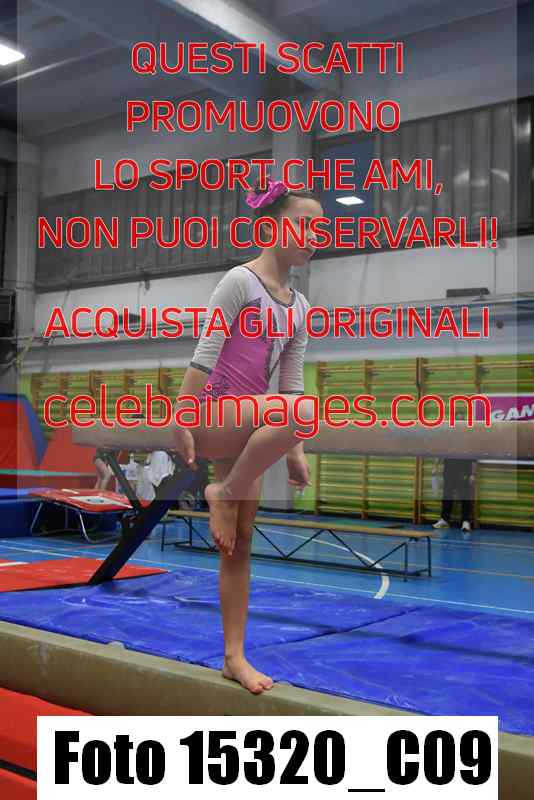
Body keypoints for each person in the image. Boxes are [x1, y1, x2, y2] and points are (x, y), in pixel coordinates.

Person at [172, 179, 322, 694]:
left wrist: (294, 450)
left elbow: (290, 384)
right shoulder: (240, 282)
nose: (314, 235)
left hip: (250, 426)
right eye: (305, 225)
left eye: (320, 228)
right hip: (213, 415)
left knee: (238, 546)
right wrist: (182, 416)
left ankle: (233, 656)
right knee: (304, 409)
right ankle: (224, 490)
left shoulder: (299, 307)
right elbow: (205, 354)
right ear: (273, 227)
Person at [433, 457, 477, 533]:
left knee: (465, 496)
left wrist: (473, 474)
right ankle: (444, 520)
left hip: (464, 471)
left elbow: (473, 459)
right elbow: (441, 454)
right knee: (446, 495)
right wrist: (435, 466)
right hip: (449, 471)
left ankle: (466, 521)